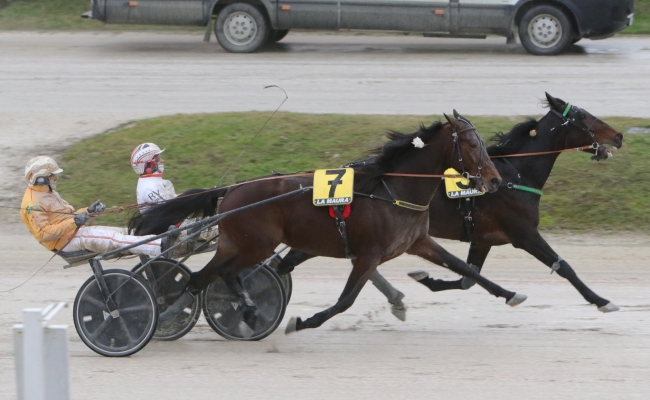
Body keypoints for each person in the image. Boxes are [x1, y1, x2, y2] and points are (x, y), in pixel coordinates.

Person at [21, 156, 170, 257]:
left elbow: (67, 216)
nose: (55, 178)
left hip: (75, 232)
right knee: (113, 239)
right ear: (40, 179)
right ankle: (159, 245)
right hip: (65, 242)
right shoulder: (33, 203)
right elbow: (44, 234)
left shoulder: (46, 191)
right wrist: (74, 222)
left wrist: (88, 211)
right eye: (52, 175)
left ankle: (159, 237)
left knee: (125, 232)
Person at [131, 143, 217, 245]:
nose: (162, 161)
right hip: (170, 232)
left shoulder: (153, 182)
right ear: (149, 164)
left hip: (176, 225)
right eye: (158, 159)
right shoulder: (150, 187)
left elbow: (174, 201)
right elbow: (172, 209)